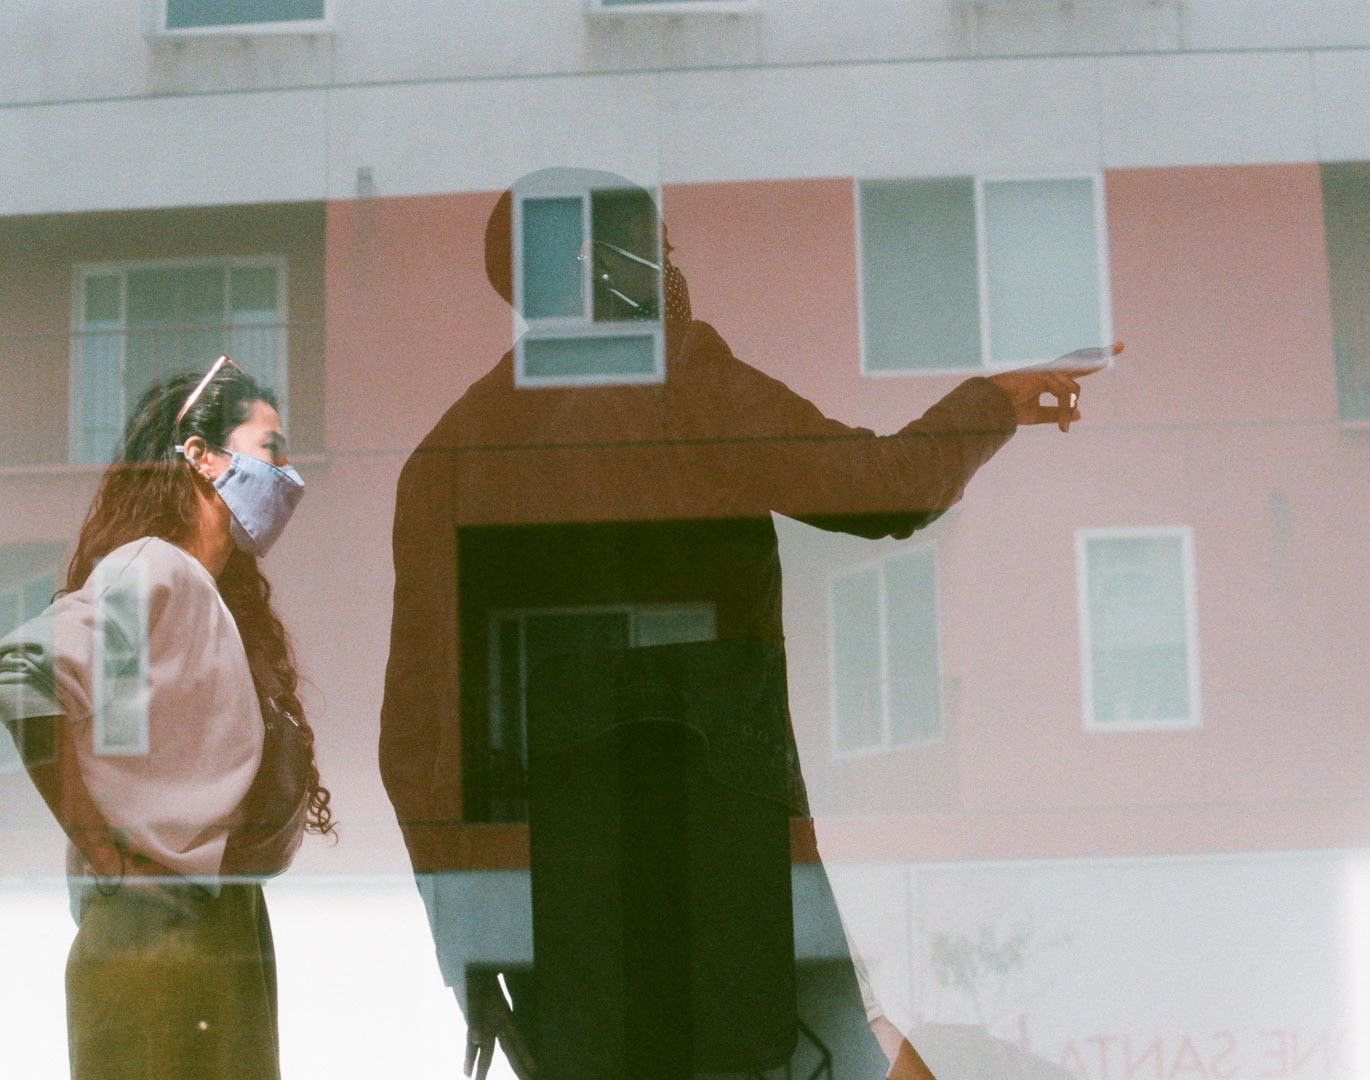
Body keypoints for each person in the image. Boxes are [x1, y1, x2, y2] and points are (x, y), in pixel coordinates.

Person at [379, 168, 1098, 1080]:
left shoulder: (446, 457)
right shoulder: (683, 388)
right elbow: (885, 489)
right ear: (602, 267)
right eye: (663, 252)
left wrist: (471, 952)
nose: (676, 272)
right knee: (841, 1052)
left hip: (556, 900)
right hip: (726, 854)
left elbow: (416, 740)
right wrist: (995, 400)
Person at [0, 357, 333, 1080]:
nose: (288, 472)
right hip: (160, 934)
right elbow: (23, 675)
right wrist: (101, 845)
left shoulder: (190, 588)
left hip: (207, 922)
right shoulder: (151, 568)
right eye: (271, 448)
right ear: (201, 457)